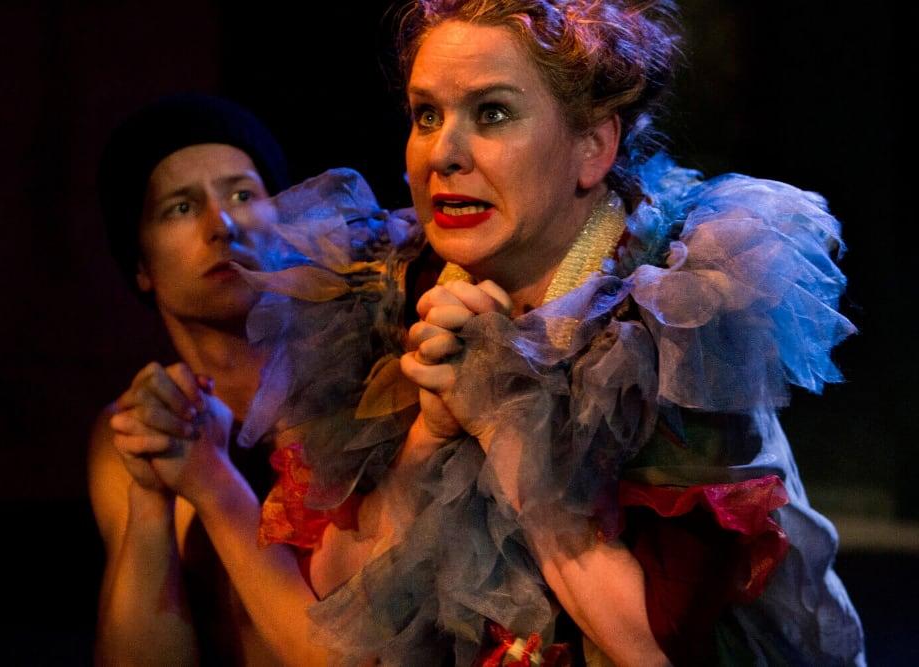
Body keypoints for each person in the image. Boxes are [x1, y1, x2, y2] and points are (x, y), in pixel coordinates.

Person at [227, 1, 865, 664]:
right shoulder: (386, 289)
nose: (443, 154)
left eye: (492, 113)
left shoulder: (676, 317)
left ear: (593, 147)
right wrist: (429, 436)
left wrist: (500, 420)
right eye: (427, 115)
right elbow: (336, 595)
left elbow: (656, 649)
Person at [87, 93, 329, 665]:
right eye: (179, 207)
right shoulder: (132, 428)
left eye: (243, 195)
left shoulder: (362, 394)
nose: (220, 224)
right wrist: (151, 494)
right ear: (141, 265)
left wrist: (212, 481)